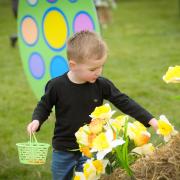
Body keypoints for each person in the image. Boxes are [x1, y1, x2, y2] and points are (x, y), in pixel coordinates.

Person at [27, 30, 158, 180]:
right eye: (93, 69)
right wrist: (36, 120)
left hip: (92, 148)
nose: (98, 72)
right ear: (73, 65)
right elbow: (44, 106)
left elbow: (125, 102)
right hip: (63, 148)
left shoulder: (101, 85)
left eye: (101, 66)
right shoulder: (56, 86)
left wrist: (150, 120)